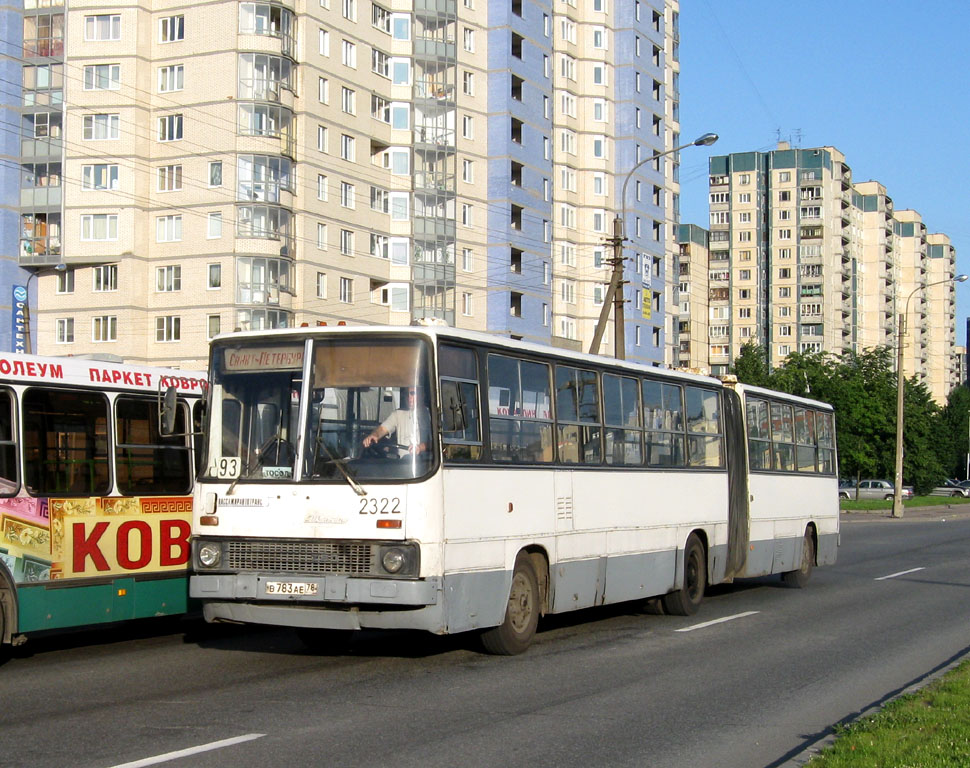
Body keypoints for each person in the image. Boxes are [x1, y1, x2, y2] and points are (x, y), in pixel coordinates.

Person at [362, 386, 431, 456]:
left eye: (412, 393)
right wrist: (374, 435)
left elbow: (436, 443)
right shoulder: (398, 414)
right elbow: (383, 429)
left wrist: (421, 447)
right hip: (403, 463)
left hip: (426, 463)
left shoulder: (430, 415)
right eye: (407, 394)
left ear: (422, 395)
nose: (409, 397)